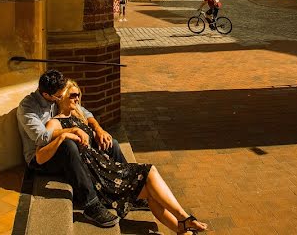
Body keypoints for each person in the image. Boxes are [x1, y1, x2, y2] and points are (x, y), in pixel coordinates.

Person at [40, 80, 208, 235]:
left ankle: (182, 228)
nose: (77, 99)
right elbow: (40, 155)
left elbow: (89, 118)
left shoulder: (78, 117)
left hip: (105, 167)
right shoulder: (55, 123)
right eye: (73, 95)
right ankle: (185, 219)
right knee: (148, 171)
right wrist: (64, 136)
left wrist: (97, 130)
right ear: (61, 97)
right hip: (99, 178)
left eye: (79, 95)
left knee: (151, 191)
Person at [17, 70, 127, 228]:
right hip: (39, 158)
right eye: (59, 96)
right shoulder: (27, 108)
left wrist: (98, 129)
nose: (62, 98)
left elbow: (83, 111)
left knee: (112, 143)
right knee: (68, 145)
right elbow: (41, 137)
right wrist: (71, 131)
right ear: (47, 94)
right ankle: (91, 205)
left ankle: (128, 187)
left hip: (64, 146)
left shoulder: (56, 95)